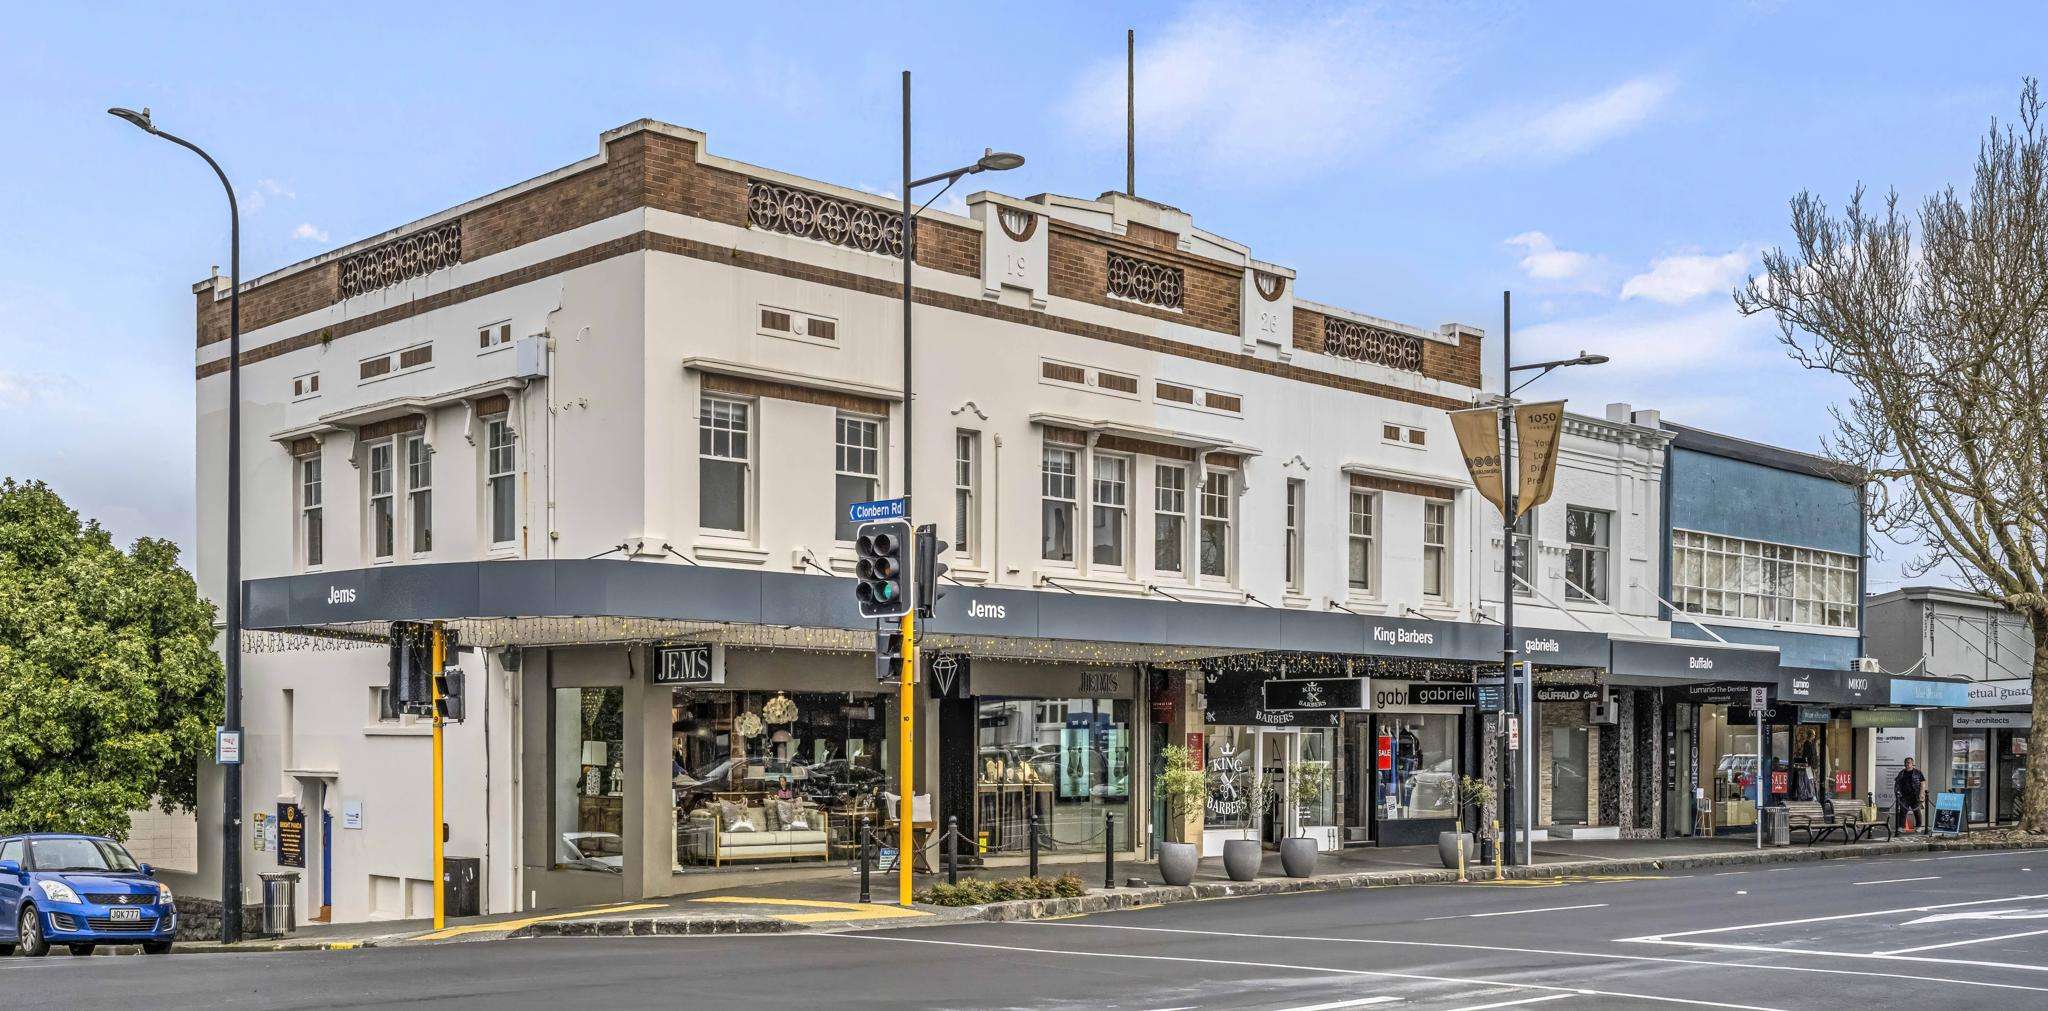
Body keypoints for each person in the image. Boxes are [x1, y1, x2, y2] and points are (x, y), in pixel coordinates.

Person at [1894, 757, 1928, 832]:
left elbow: (1922, 783)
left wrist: (1921, 793)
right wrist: (1897, 793)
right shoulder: (1901, 773)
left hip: (1915, 795)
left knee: (1917, 811)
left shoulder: (1918, 772)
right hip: (1904, 796)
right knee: (1903, 811)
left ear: (1912, 764)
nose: (1907, 764)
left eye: (1909, 762)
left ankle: (1919, 826)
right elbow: (1897, 783)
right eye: (1906, 762)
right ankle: (1901, 827)